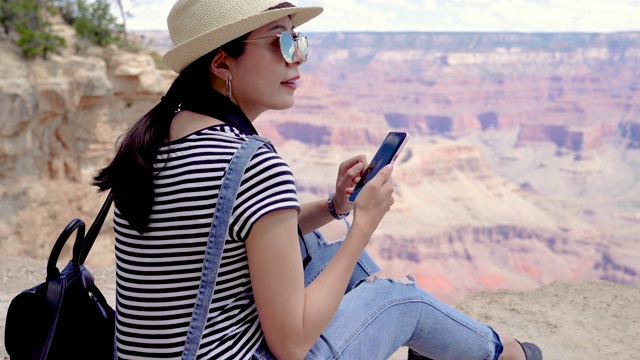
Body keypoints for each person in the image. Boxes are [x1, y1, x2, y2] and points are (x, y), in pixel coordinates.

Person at [94, 0, 544, 359]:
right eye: (281, 42)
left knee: (311, 248)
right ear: (222, 63)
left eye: (299, 39)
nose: (298, 58)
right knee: (399, 300)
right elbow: (291, 347)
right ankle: (507, 355)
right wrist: (362, 227)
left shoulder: (153, 140)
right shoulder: (250, 161)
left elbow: (225, 235)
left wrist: (335, 207)